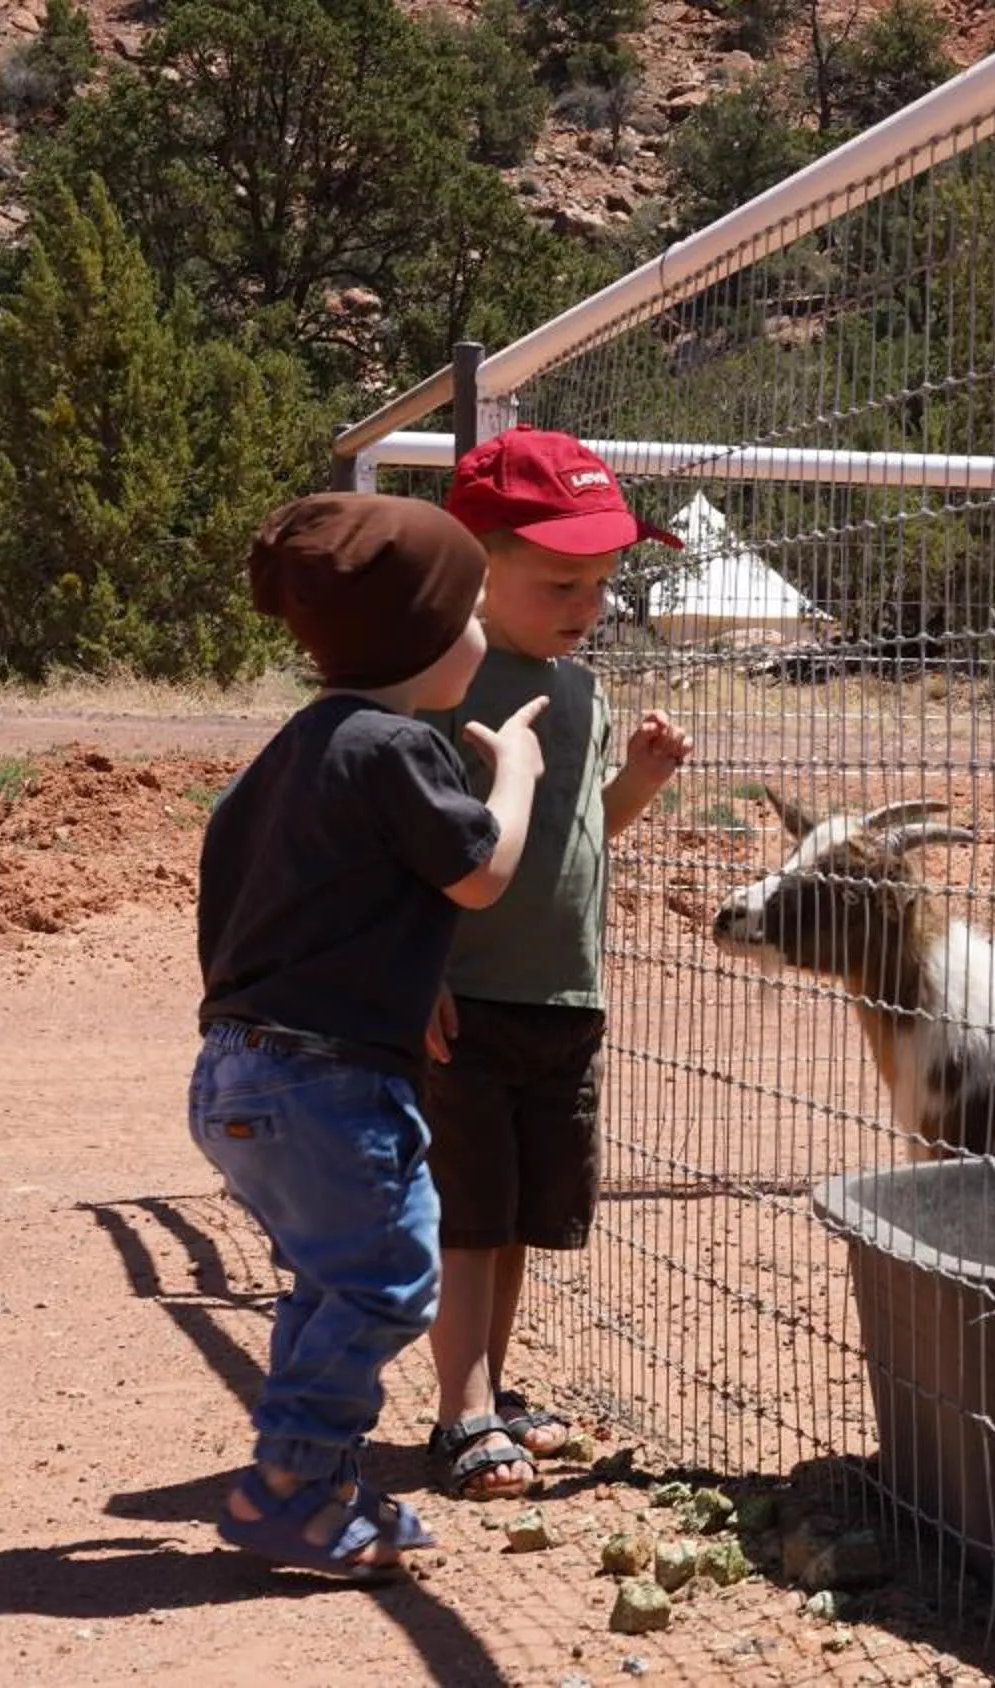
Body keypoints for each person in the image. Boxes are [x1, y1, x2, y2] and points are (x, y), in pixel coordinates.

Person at [190, 492, 550, 1578]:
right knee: (389, 1277)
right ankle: (289, 1489)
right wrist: (516, 778)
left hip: (239, 1072)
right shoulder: (398, 747)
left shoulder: (290, 752)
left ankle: (320, 1486)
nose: (480, 630)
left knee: (329, 1280)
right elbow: (480, 873)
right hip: (331, 1082)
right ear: (425, 633)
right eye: (470, 611)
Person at [415, 427, 694, 1501]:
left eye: (603, 583)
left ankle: (490, 1391)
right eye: (560, 581)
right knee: (467, 1218)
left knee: (518, 1217)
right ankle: (460, 1414)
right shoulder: (445, 682)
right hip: (465, 997)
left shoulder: (583, 693)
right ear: (475, 565)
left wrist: (641, 781)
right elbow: (411, 845)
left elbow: (580, 834)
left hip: (563, 997)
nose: (588, 604)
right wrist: (416, 973)